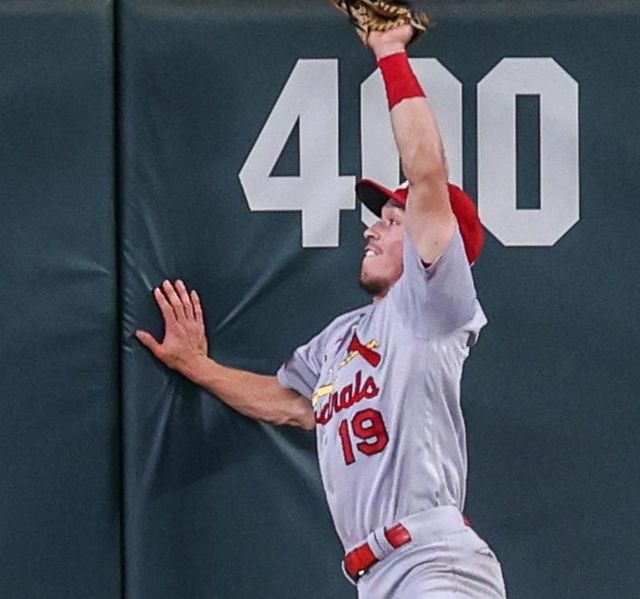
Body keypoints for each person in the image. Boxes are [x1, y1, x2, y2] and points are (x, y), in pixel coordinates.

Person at [136, 23, 506, 598]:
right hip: (377, 575)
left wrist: (389, 53)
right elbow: (293, 405)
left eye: (391, 221)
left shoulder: (435, 305)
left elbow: (428, 171)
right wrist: (198, 366)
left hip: (434, 564)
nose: (374, 229)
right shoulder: (343, 338)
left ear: (431, 239)